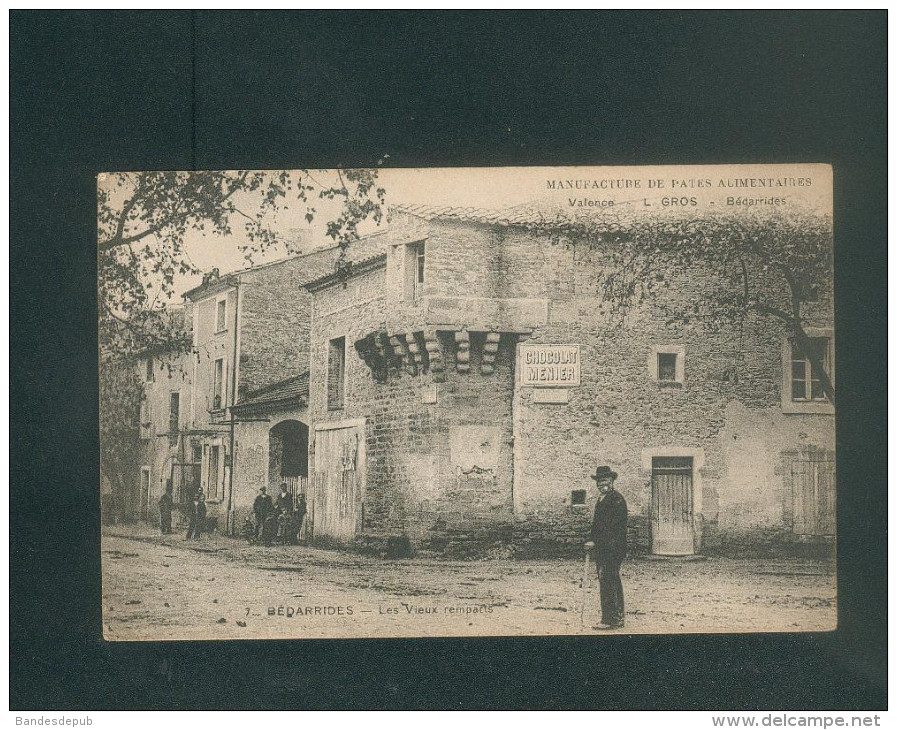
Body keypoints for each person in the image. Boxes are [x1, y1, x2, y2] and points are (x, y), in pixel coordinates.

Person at [586, 465, 628, 630]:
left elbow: (612, 528)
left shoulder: (616, 500)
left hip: (613, 548)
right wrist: (591, 539)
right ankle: (610, 617)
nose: (602, 484)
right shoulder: (601, 499)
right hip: (603, 548)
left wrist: (597, 542)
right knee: (606, 581)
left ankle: (613, 619)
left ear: (611, 481)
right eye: (599, 481)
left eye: (605, 480)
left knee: (610, 580)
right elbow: (597, 525)